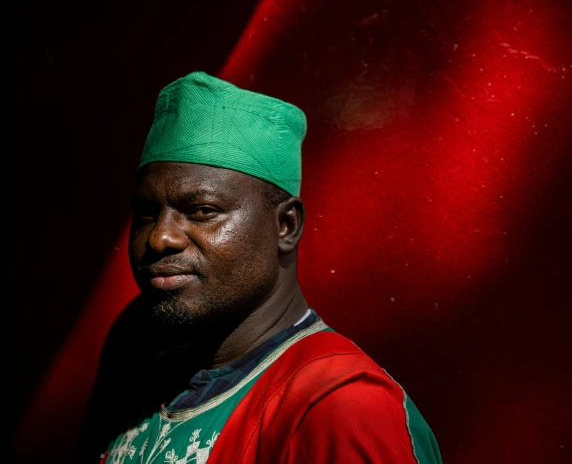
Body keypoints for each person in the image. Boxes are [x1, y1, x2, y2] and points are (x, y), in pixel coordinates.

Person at [76, 71, 442, 464]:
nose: (160, 238)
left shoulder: (338, 406)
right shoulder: (140, 368)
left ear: (285, 226)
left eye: (202, 211)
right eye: (147, 214)